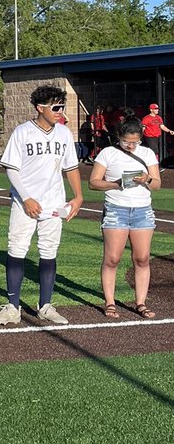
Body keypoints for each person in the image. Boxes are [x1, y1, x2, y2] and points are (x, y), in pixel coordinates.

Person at [0, 85, 83, 326]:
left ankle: (45, 306)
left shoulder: (63, 134)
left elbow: (70, 167)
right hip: (24, 204)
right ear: (39, 108)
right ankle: (13, 307)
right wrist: (26, 197)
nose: (60, 111)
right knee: (17, 249)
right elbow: (11, 168)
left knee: (49, 251)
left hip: (53, 203)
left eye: (62, 106)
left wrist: (78, 196)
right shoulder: (23, 132)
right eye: (55, 107)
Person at [89, 117, 161, 319]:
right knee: (112, 259)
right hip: (116, 209)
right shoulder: (108, 153)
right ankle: (110, 302)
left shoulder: (146, 153)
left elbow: (157, 185)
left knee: (142, 258)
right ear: (118, 137)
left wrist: (147, 179)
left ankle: (141, 302)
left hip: (142, 210)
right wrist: (116, 183)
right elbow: (93, 182)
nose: (131, 146)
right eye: (126, 141)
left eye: (135, 142)